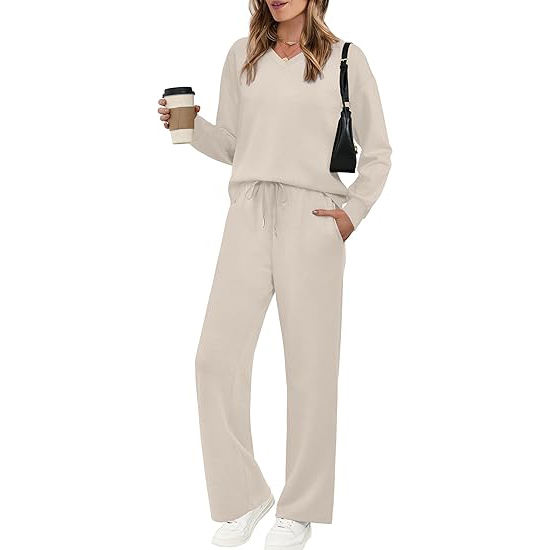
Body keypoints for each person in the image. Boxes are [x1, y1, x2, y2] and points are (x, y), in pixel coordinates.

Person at [158, 1, 391, 548]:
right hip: (248, 213)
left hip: (313, 217)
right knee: (214, 360)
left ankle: (299, 507)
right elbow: (235, 145)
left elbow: (378, 152)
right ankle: (243, 495)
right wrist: (190, 128)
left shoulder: (346, 59)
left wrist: (352, 214)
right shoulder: (243, 55)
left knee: (310, 369)